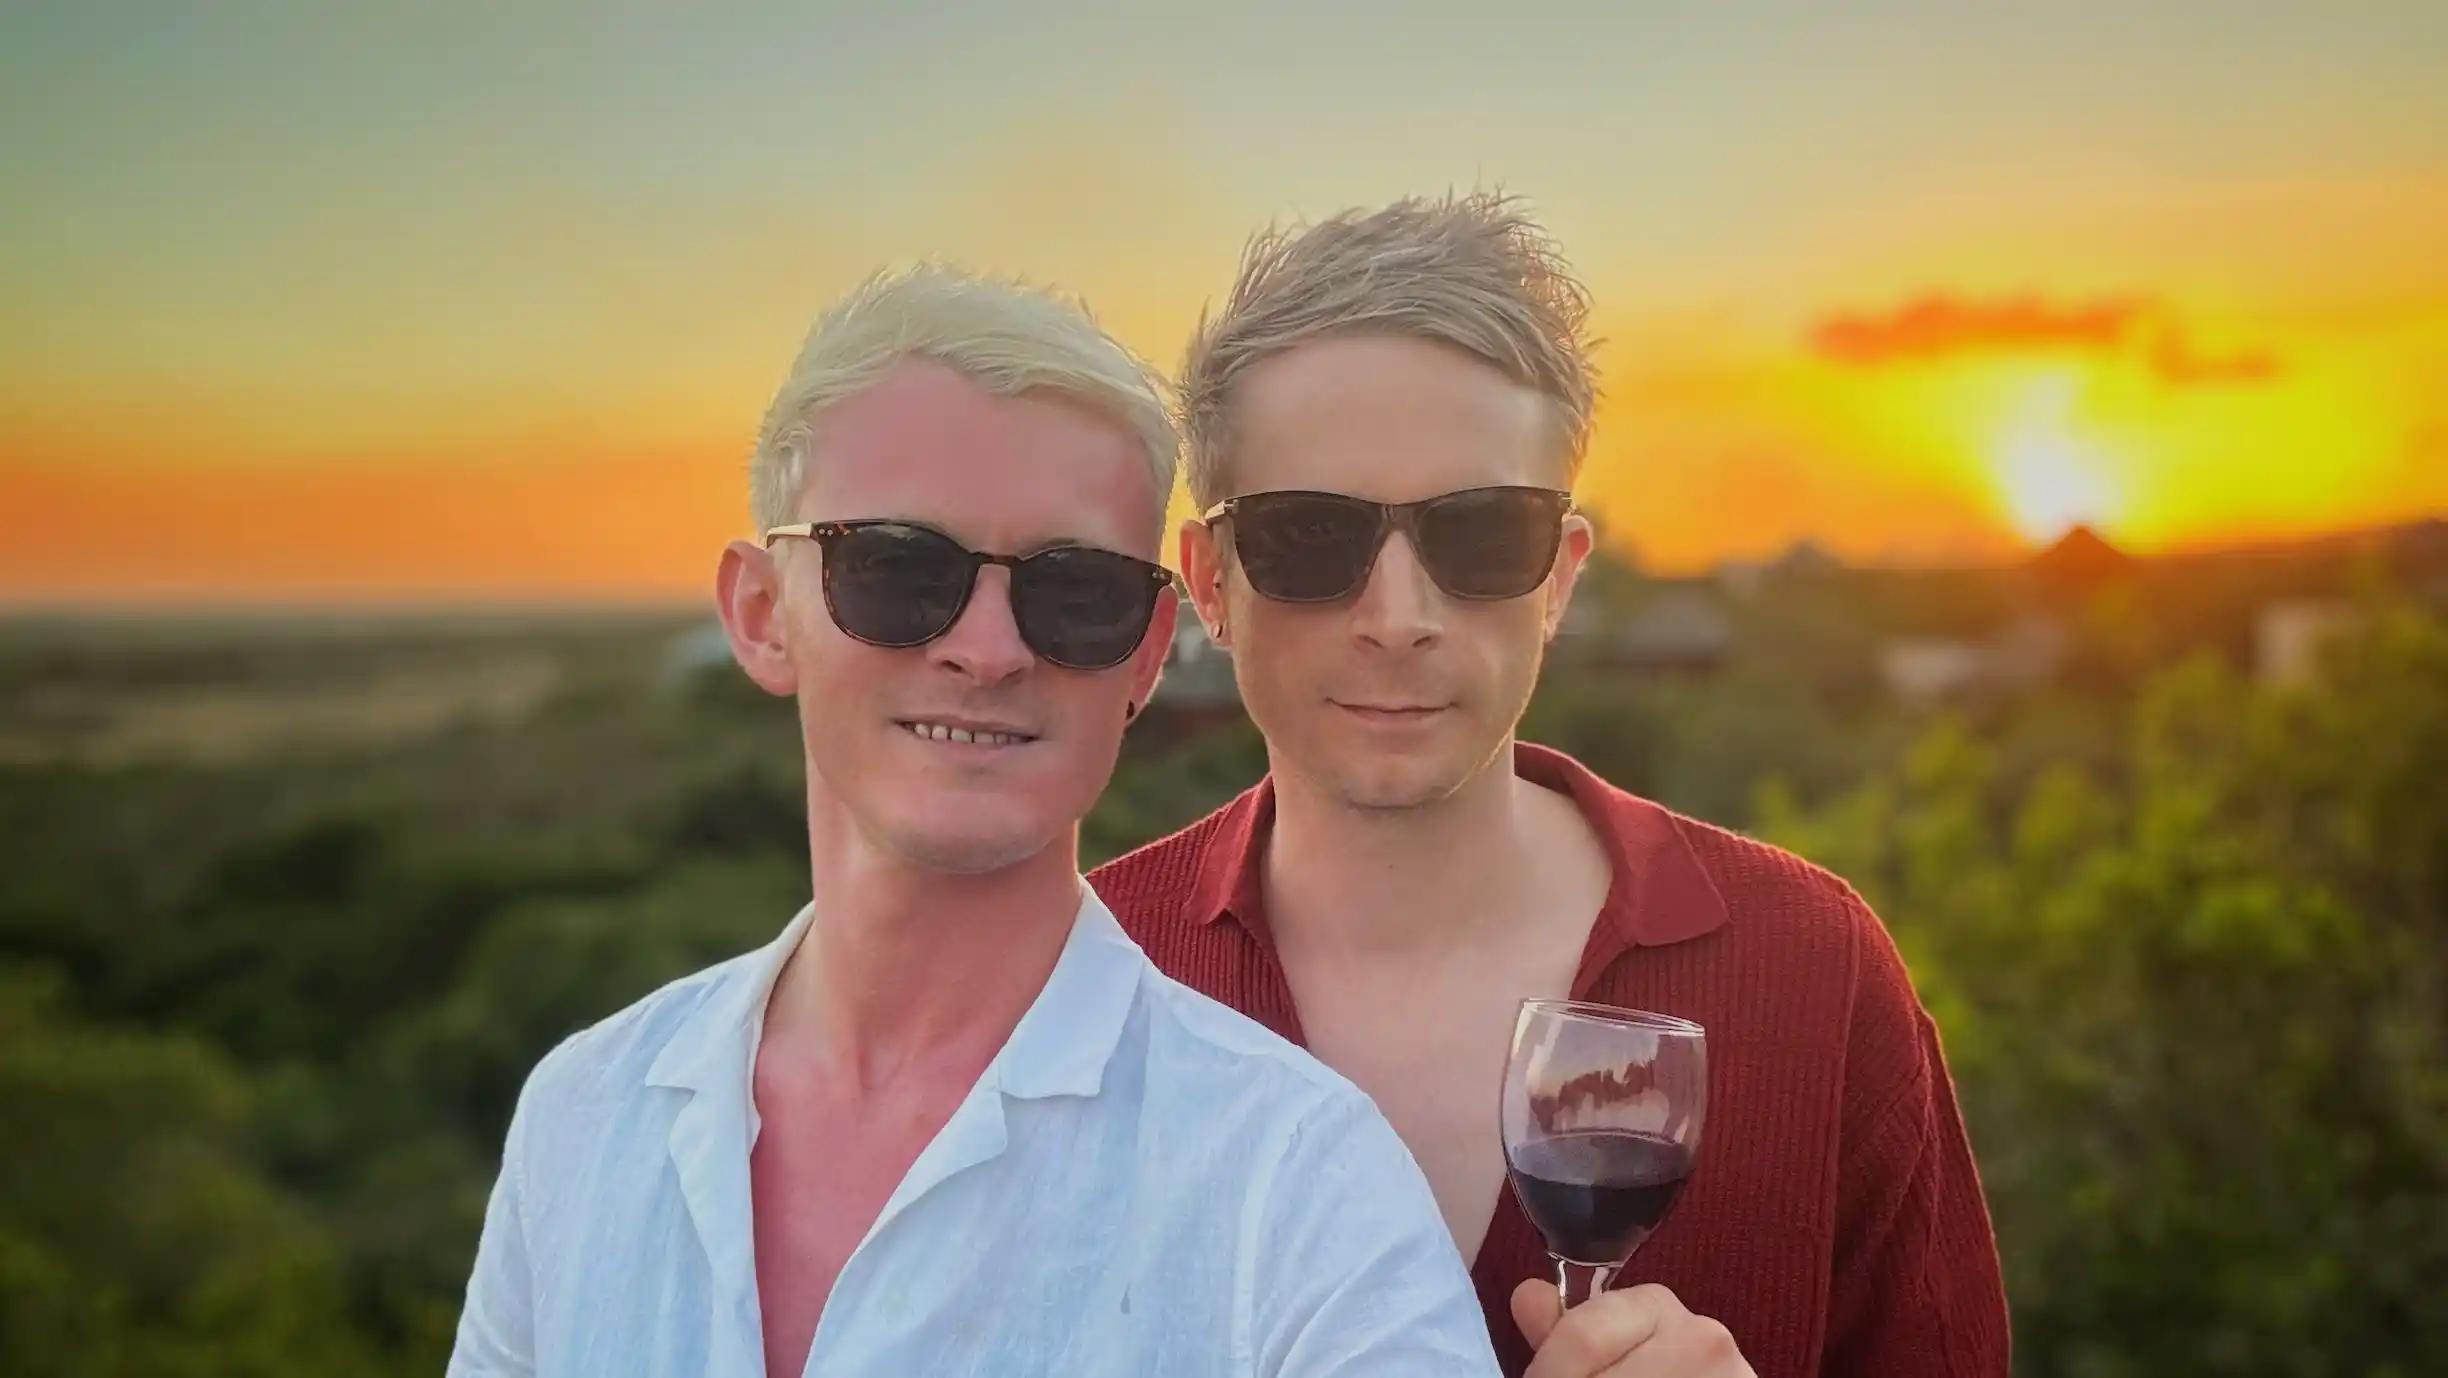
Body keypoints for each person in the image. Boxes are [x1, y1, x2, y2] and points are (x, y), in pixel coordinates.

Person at [448, 265, 1502, 1377]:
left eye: (1076, 591)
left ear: (1145, 658)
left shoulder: (1297, 1191)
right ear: (763, 615)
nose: (988, 649)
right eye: (899, 569)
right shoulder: (583, 1114)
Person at [1089, 194, 2012, 1378]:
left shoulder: (1814, 972)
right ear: (1210, 582)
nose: (1399, 618)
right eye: (1312, 536)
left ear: (1562, 578)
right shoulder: (1079, 989)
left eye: (1481, 535)